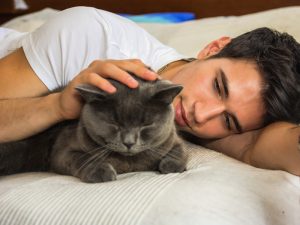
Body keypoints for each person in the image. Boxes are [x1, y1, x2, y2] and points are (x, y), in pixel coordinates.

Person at [0, 7, 299, 175]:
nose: (202, 115)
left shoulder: (210, 123)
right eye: (218, 86)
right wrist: (56, 106)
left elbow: (264, 148)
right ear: (212, 48)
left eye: (228, 121)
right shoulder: (90, 34)